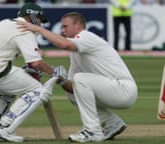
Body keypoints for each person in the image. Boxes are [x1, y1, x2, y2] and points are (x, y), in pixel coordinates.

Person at [18, 12, 138, 142]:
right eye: (62, 27)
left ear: (78, 25)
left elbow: (64, 44)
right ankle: (112, 123)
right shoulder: (75, 52)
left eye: (65, 27)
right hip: (112, 90)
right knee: (73, 89)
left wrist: (39, 29)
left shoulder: (86, 37)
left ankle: (92, 131)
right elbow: (71, 87)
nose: (62, 30)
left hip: (124, 89)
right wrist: (56, 75)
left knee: (80, 79)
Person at [0, 3, 66, 142]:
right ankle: (4, 127)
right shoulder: (24, 30)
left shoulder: (0, 24)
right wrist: (54, 71)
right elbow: (35, 63)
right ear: (34, 17)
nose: (40, 26)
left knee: (9, 86)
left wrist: (28, 71)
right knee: (38, 91)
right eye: (40, 21)